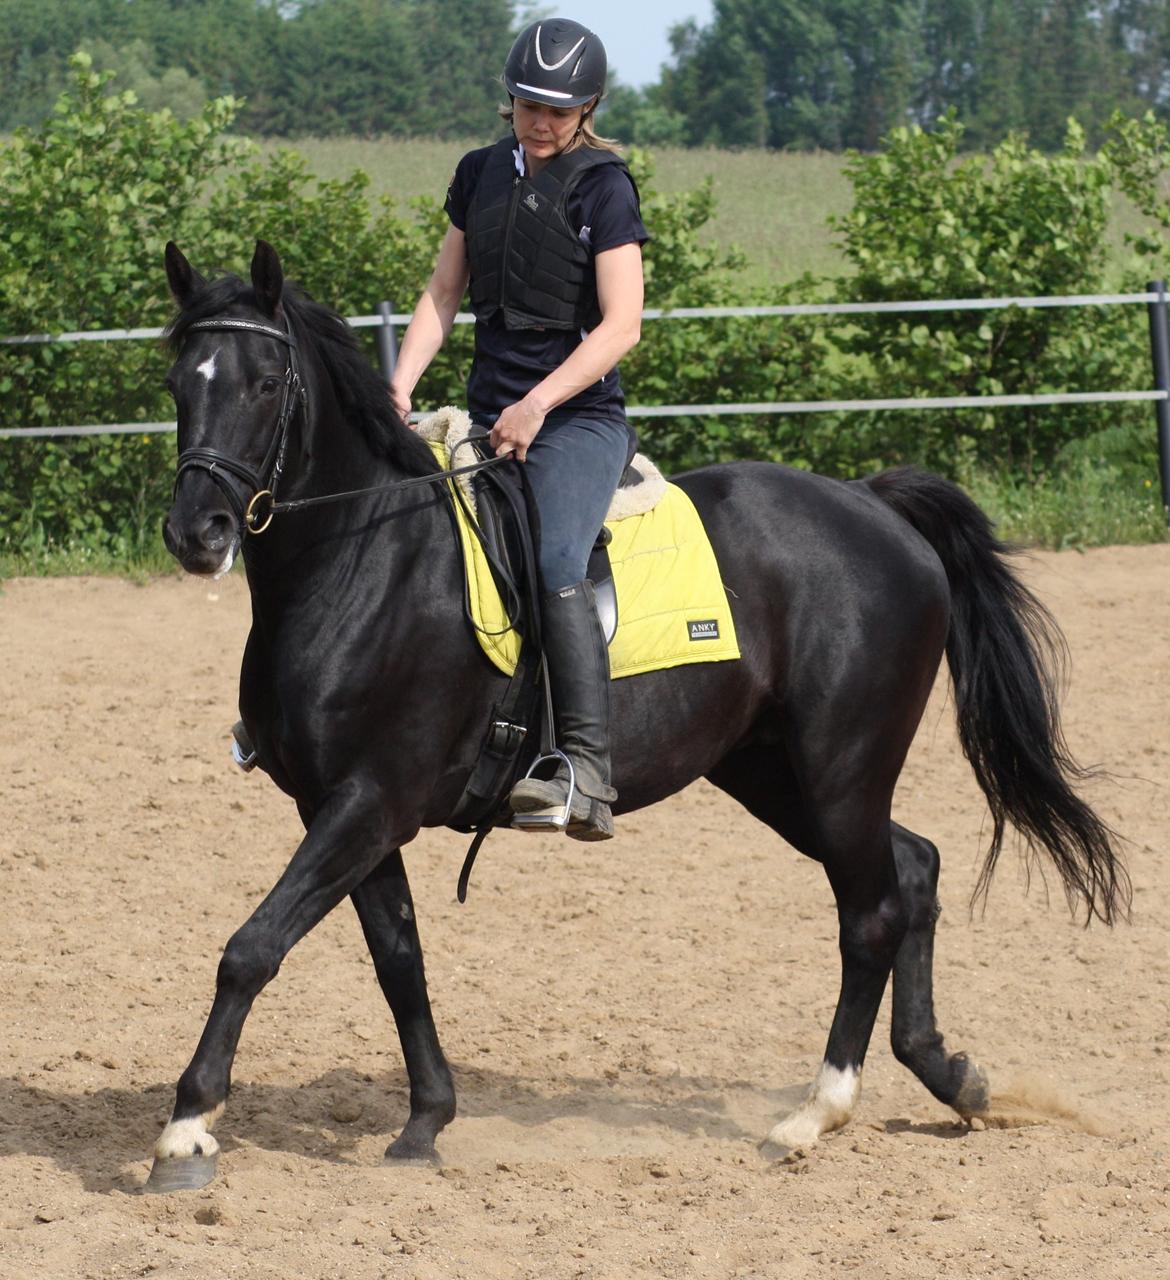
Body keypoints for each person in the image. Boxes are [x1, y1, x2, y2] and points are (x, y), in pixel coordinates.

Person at [389, 18, 647, 842]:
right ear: (511, 102)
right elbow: (441, 292)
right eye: (530, 105)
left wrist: (538, 404)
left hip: (576, 421)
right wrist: (396, 389)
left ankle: (585, 766)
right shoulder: (478, 175)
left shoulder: (605, 186)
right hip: (485, 412)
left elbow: (622, 325)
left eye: (560, 109)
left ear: (589, 109)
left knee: (552, 558)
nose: (543, 121)